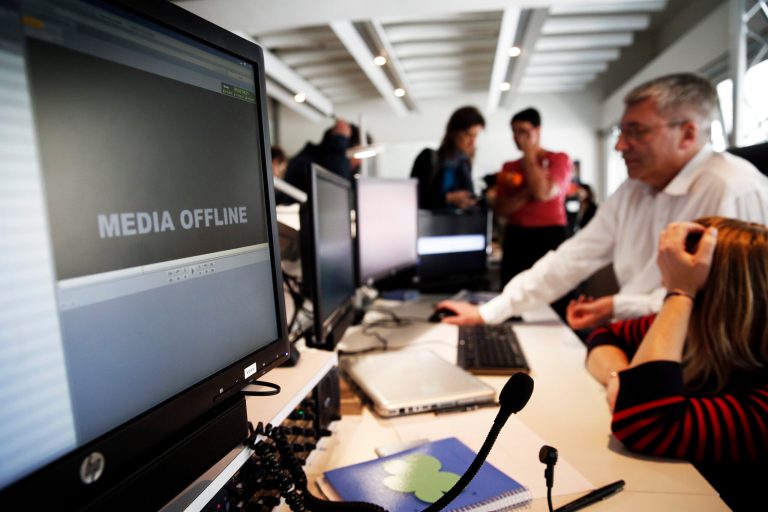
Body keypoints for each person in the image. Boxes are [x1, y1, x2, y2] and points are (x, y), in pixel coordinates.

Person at [435, 73, 768, 329]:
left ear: (687, 134)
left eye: (636, 132)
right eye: (620, 133)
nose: (620, 146)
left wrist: (616, 307)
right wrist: (489, 312)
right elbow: (573, 258)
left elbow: (722, 308)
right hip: (635, 337)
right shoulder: (634, 190)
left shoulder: (733, 189)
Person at [585, 217, 768, 510]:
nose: (662, 284)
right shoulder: (700, 337)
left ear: (718, 298)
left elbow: (642, 424)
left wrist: (680, 293)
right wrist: (619, 378)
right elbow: (605, 335)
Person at [494, 108, 573, 317]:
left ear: (538, 130)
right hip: (517, 237)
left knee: (555, 296)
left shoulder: (559, 159)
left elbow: (544, 192)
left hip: (550, 236)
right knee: (512, 298)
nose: (518, 138)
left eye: (523, 131)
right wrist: (530, 191)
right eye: (514, 132)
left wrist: (530, 155)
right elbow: (501, 209)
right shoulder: (509, 166)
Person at [410, 106, 485, 210]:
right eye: (468, 135)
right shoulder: (428, 158)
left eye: (475, 136)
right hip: (429, 224)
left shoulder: (464, 164)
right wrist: (449, 198)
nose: (472, 142)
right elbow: (414, 198)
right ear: (454, 133)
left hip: (457, 224)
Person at [280, 118, 366, 204]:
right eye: (357, 155)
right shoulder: (306, 165)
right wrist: (339, 140)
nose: (360, 162)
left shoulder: (343, 169)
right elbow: (336, 193)